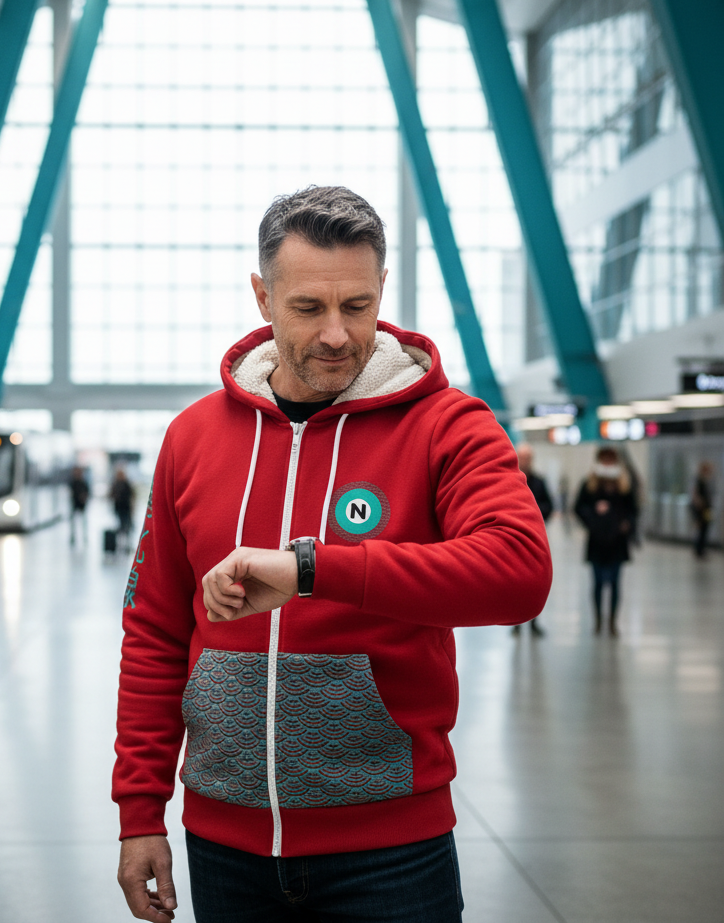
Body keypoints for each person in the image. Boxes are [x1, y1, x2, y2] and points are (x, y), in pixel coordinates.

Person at [113, 186, 552, 923]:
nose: (338, 335)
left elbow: (518, 573)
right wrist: (139, 810)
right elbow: (155, 633)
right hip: (223, 844)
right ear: (262, 296)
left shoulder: (448, 425)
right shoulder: (192, 438)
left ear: (383, 288)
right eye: (308, 308)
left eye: (356, 305)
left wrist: (315, 570)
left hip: (392, 851)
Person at [574, 447, 637, 637]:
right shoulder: (589, 485)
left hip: (617, 542)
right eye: (605, 460)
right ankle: (598, 620)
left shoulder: (624, 486)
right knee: (598, 583)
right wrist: (593, 515)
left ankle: (612, 621)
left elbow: (633, 510)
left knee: (616, 583)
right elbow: (578, 507)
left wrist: (627, 524)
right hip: (597, 541)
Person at [511, 443, 553, 637]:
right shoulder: (509, 480)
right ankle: (517, 622)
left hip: (535, 537)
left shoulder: (539, 482)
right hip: (513, 538)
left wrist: (534, 515)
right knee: (515, 579)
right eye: (523, 458)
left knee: (534, 579)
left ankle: (534, 622)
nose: (525, 462)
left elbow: (549, 505)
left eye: (528, 458)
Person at [690, 461, 714, 559]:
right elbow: (695, 496)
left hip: (706, 509)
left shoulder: (706, 481)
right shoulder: (699, 480)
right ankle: (698, 550)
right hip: (701, 510)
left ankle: (701, 549)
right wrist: (699, 506)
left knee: (706, 528)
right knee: (701, 529)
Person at [111, 467, 135, 541]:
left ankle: (126, 541)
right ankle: (120, 541)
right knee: (120, 525)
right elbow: (112, 495)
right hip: (119, 508)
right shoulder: (115, 484)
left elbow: (132, 496)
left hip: (126, 508)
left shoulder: (127, 484)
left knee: (126, 525)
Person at [69, 465, 91, 546]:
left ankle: (84, 536)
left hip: (82, 505)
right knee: (73, 522)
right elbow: (70, 492)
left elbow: (88, 492)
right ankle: (73, 536)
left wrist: (84, 497)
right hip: (74, 504)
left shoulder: (84, 482)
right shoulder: (73, 482)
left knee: (83, 522)